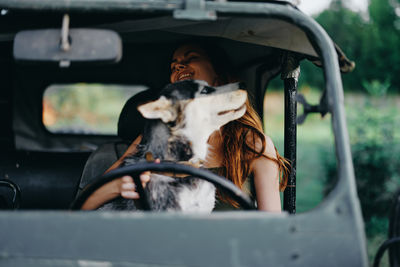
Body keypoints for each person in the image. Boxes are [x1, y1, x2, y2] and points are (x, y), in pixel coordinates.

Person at [81, 42, 289, 211]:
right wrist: (119, 185)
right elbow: (84, 203)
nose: (179, 66)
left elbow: (272, 228)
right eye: (174, 66)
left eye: (191, 58)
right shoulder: (154, 140)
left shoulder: (253, 145)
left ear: (219, 76)